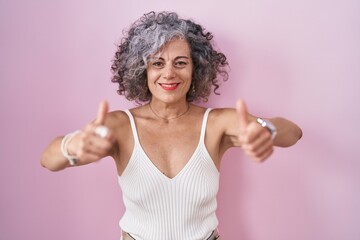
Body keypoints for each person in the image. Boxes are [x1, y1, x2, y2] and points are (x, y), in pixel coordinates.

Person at [41, 11, 302, 240]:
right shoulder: (120, 125)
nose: (169, 73)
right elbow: (48, 159)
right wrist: (73, 147)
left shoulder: (216, 123)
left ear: (196, 69)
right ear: (142, 70)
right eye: (157, 63)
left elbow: (293, 132)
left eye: (180, 63)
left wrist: (265, 130)